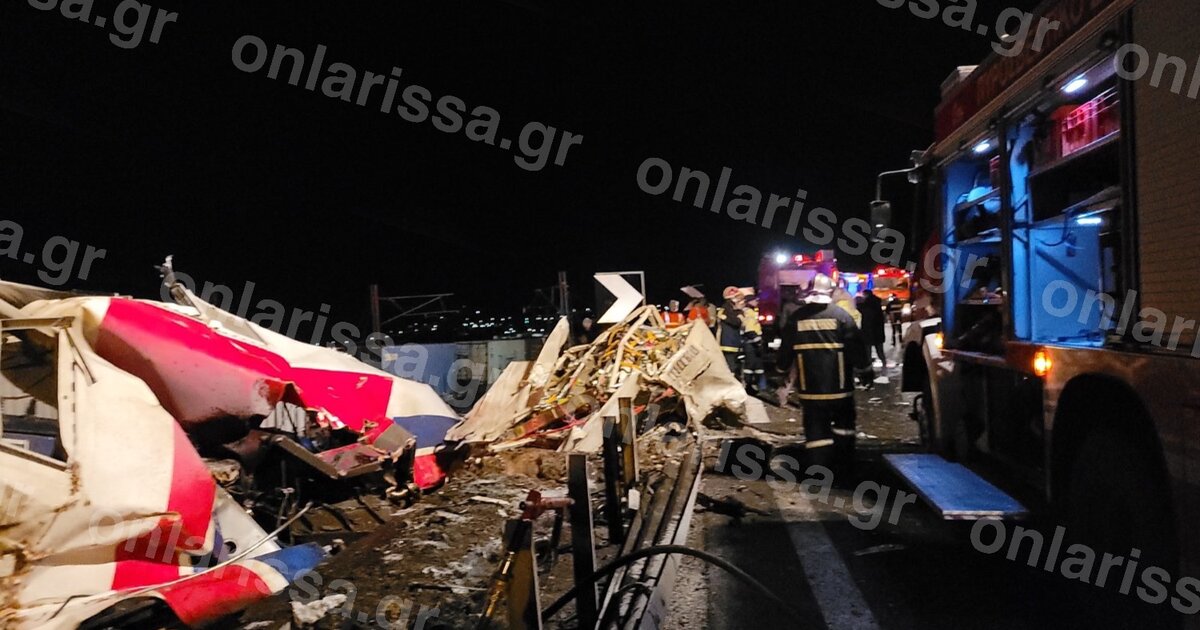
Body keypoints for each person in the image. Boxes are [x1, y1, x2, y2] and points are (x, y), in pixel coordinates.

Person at [778, 273, 867, 476]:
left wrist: (781, 370)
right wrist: (865, 370)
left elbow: (785, 351)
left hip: (810, 389)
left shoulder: (796, 318)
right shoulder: (842, 316)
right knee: (844, 427)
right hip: (840, 388)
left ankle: (820, 470)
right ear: (831, 292)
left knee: (816, 431)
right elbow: (856, 347)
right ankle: (844, 467)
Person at [716, 286, 746, 377]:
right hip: (728, 343)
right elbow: (736, 322)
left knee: (732, 364)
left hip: (734, 342)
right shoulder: (726, 310)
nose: (741, 301)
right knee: (730, 365)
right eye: (738, 298)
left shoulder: (734, 311)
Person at [740, 294, 766, 393]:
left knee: (756, 366)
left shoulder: (750, 311)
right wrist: (758, 340)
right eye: (755, 300)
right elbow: (749, 329)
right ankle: (749, 386)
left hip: (752, 342)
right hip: (751, 343)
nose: (757, 302)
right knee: (750, 366)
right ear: (749, 302)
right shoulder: (749, 312)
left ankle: (757, 385)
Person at [858, 289, 887, 369]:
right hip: (878, 331)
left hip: (868, 331)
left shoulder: (865, 305)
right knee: (880, 351)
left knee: (868, 351)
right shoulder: (877, 304)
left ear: (866, 295)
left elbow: (865, 317)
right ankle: (884, 364)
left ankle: (869, 367)